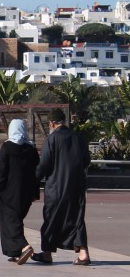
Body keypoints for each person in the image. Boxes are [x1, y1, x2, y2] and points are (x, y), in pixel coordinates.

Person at [33, 108, 92, 265]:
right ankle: (83, 254)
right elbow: (86, 160)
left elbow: (44, 164)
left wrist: (33, 180)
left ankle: (47, 254)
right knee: (77, 219)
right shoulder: (78, 138)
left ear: (51, 123)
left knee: (51, 219)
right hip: (77, 187)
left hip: (56, 188)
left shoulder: (52, 140)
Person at [0, 119, 40, 265]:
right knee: (16, 220)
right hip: (26, 193)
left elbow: (1, 171)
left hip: (9, 192)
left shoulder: (7, 147)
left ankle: (24, 246)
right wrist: (35, 193)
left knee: (9, 222)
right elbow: (36, 173)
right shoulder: (31, 149)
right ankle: (13, 252)